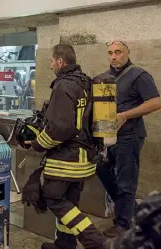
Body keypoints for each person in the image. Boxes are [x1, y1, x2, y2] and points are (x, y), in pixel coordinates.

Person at [24, 44, 107, 249]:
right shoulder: (87, 83)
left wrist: (37, 144)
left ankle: (98, 242)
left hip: (66, 160)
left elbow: (60, 128)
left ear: (60, 61)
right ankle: (64, 244)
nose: (51, 66)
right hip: (85, 158)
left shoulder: (63, 85)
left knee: (55, 199)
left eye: (52, 61)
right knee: (71, 201)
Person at [96, 40, 160, 237]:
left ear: (127, 53)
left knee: (126, 182)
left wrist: (125, 115)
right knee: (101, 169)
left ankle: (124, 226)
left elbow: (156, 101)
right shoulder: (103, 77)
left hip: (129, 136)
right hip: (106, 136)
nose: (114, 56)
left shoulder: (138, 75)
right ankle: (132, 212)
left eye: (118, 52)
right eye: (110, 53)